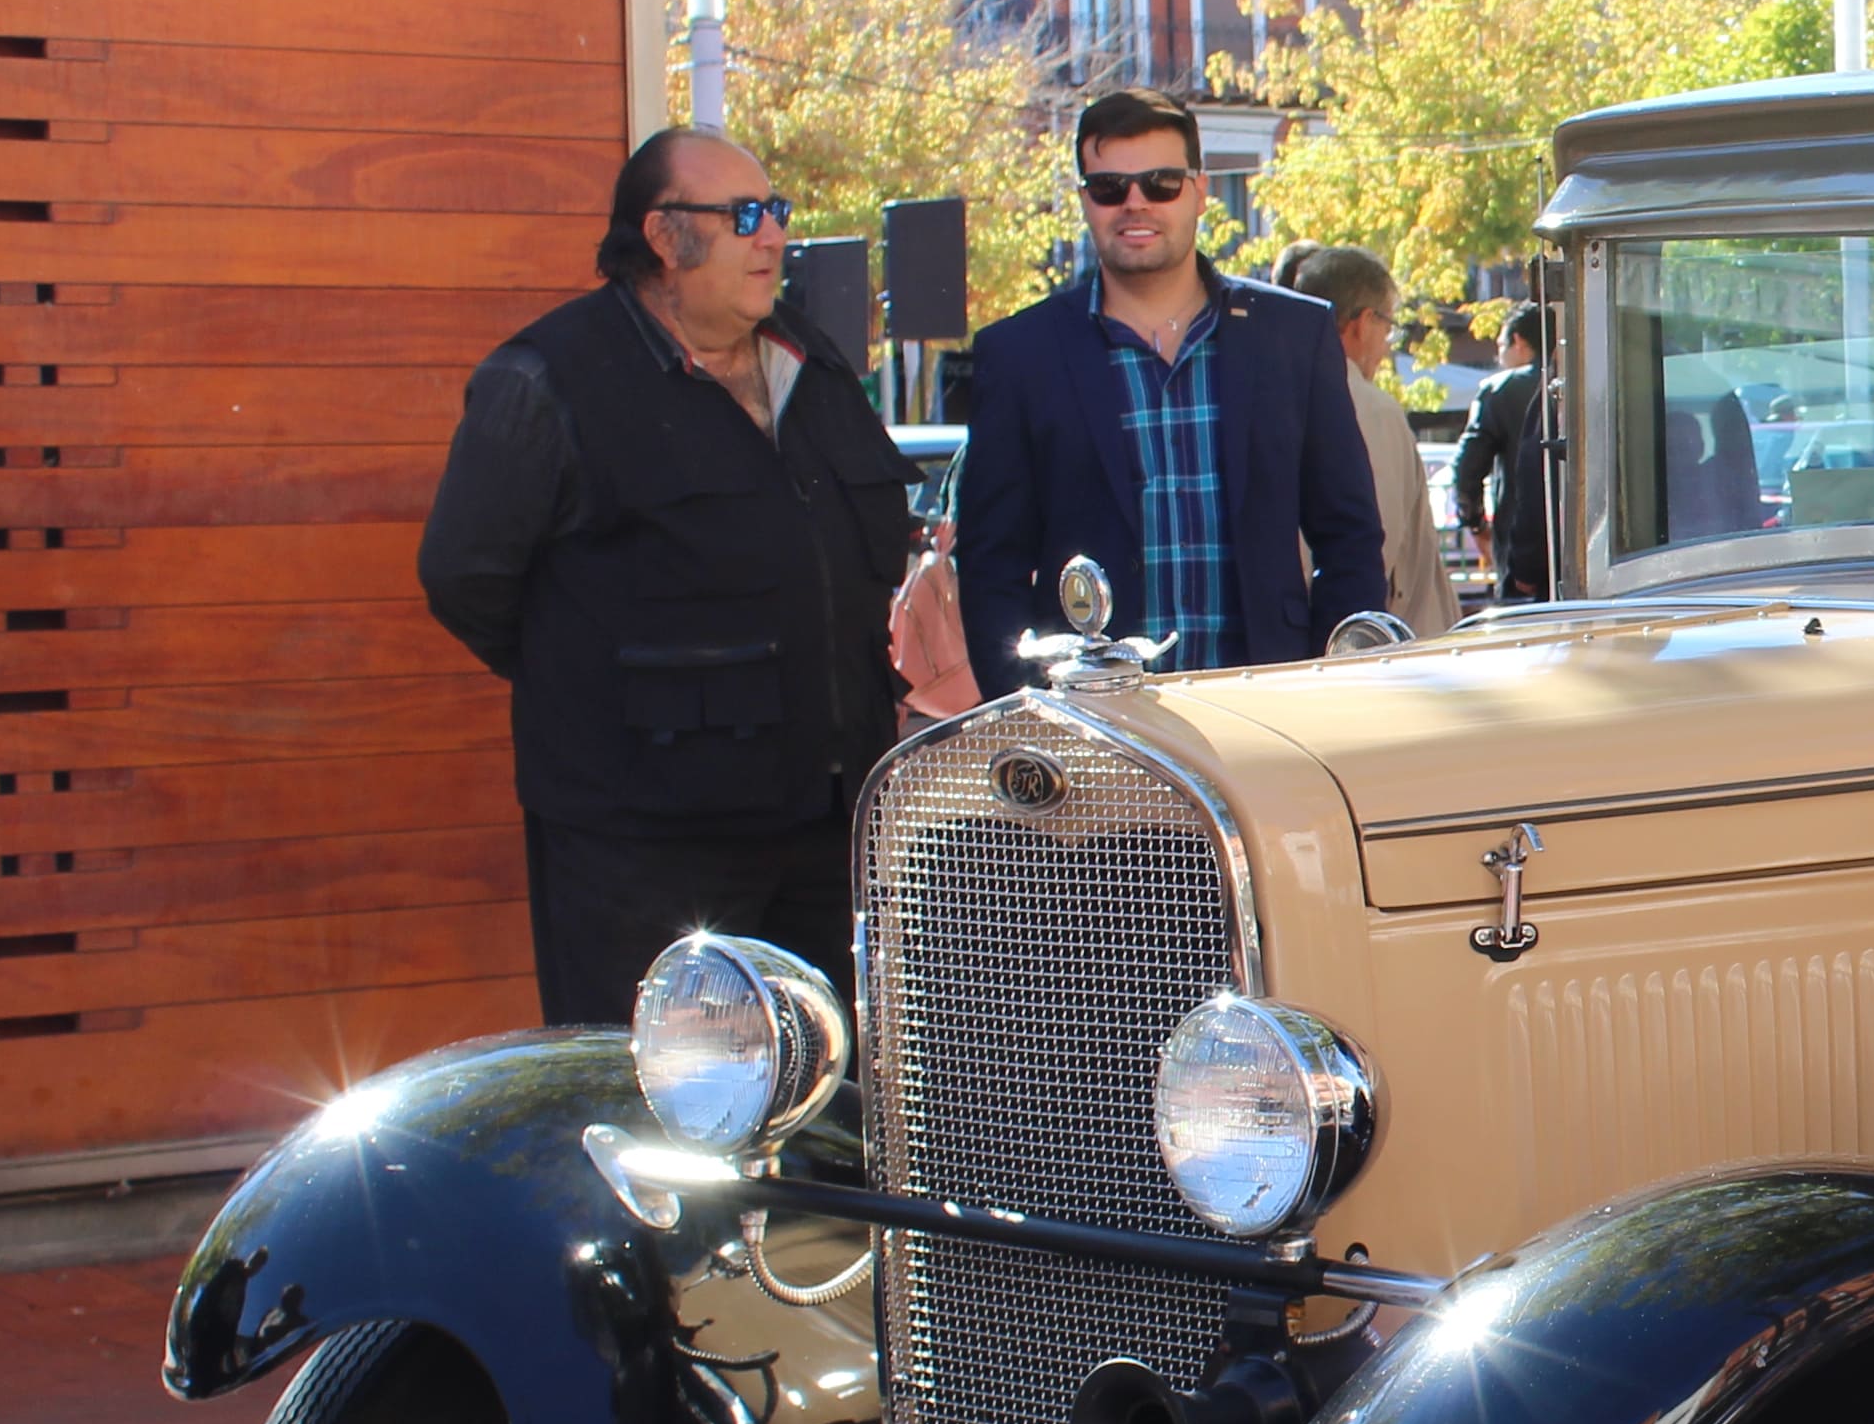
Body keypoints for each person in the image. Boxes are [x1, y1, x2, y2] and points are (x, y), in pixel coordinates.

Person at [418, 125, 914, 1025]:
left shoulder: (812, 359)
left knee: (830, 1107)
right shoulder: (547, 380)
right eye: (745, 216)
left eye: (779, 213)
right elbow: (467, 581)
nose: (774, 236)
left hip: (825, 822)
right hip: (644, 847)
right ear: (663, 236)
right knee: (653, 1104)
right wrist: (595, 683)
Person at [954, 91, 1384, 684]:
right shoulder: (1021, 354)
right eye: (1110, 188)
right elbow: (989, 568)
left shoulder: (1292, 334)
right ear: (1085, 201)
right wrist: (1033, 721)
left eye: (1161, 183)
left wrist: (1331, 683)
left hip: (1269, 714)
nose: (1136, 204)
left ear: (1200, 191)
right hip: (1099, 729)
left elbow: (1350, 537)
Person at [1278, 241, 1459, 635]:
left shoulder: (1270, 393)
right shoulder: (1367, 407)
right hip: (1369, 649)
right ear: (1362, 322)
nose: (1385, 345)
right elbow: (1373, 548)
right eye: (1387, 327)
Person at [1461, 309, 1552, 602]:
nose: (1498, 358)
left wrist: (1476, 523)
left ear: (1518, 341)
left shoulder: (1498, 391)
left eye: (1500, 347)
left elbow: (1467, 469)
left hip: (1521, 556)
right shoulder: (1580, 381)